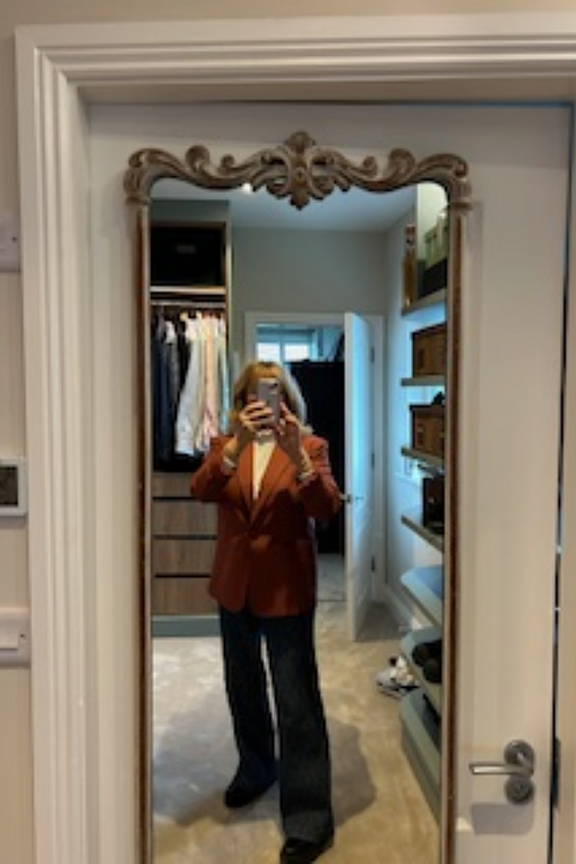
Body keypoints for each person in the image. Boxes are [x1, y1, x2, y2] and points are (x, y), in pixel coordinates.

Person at [191, 360, 342, 864]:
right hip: (234, 585)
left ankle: (309, 818)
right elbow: (201, 490)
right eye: (253, 395)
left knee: (296, 699)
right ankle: (256, 768)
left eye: (272, 394)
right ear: (240, 401)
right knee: (243, 686)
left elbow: (326, 509)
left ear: (287, 401)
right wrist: (234, 446)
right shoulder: (223, 446)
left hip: (286, 587)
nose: (263, 402)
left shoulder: (310, 446)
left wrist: (297, 456)